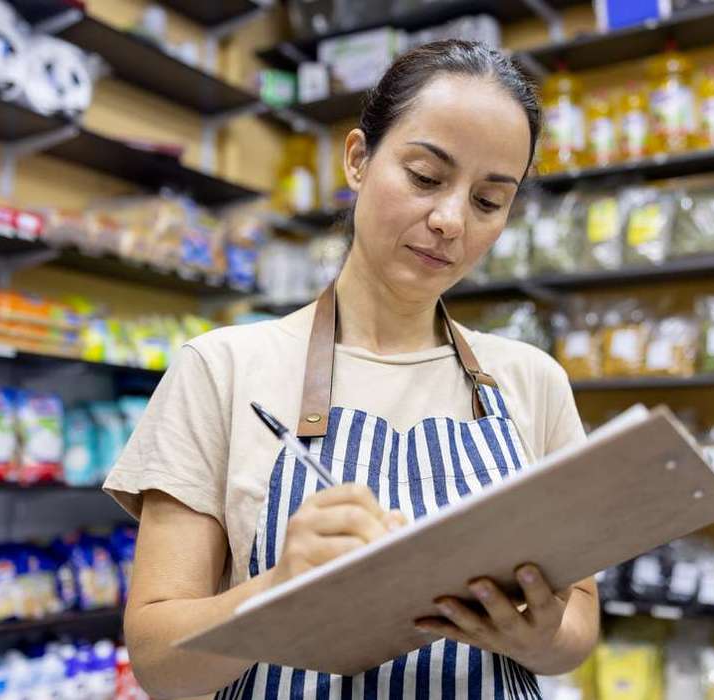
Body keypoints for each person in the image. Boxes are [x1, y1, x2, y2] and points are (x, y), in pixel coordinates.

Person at [104, 39, 598, 699]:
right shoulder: (223, 368)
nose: (449, 219)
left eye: (487, 201)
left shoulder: (531, 381)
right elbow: (159, 665)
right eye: (425, 176)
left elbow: (578, 625)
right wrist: (280, 589)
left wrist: (538, 638)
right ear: (358, 159)